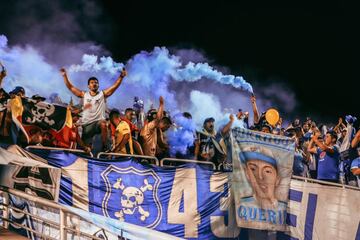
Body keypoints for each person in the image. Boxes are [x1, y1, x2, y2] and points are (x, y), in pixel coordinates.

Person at [60, 67, 127, 150]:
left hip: (98, 123)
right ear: (88, 86)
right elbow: (71, 87)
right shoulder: (84, 94)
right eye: (92, 83)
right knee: (86, 148)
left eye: (96, 82)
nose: (94, 84)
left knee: (103, 124)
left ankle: (105, 146)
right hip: (87, 126)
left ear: (98, 85)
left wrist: (121, 77)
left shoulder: (102, 94)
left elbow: (114, 86)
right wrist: (64, 76)